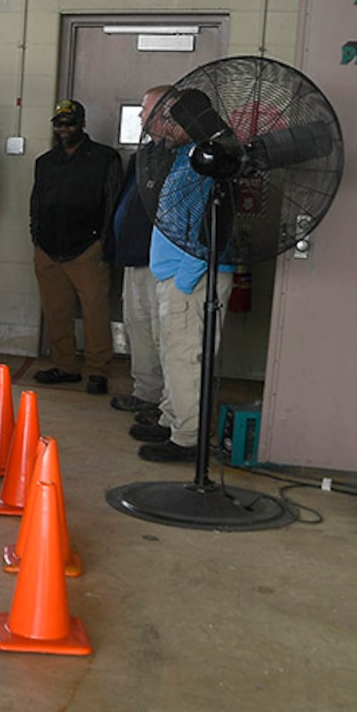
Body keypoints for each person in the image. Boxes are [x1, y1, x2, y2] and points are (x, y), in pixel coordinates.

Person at [136, 87, 234, 462]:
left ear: (175, 117)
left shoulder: (210, 160)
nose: (145, 122)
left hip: (190, 280)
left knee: (185, 359)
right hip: (177, 277)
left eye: (150, 113)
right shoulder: (185, 156)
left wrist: (184, 279)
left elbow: (210, 227)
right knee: (173, 356)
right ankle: (171, 419)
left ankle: (188, 439)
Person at [29, 98, 122, 394]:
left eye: (70, 123)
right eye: (59, 124)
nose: (64, 129)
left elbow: (113, 203)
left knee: (95, 312)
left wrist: (103, 244)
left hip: (87, 248)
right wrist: (36, 237)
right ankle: (65, 365)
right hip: (48, 248)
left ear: (83, 124)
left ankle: (98, 370)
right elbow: (36, 202)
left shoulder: (105, 158)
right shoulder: (44, 162)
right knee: (56, 311)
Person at [111, 85, 168, 417]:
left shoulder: (179, 156)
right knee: (139, 330)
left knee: (162, 335)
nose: (140, 116)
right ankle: (145, 394)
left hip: (159, 263)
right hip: (132, 258)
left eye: (144, 110)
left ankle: (167, 406)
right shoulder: (144, 156)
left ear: (164, 114)